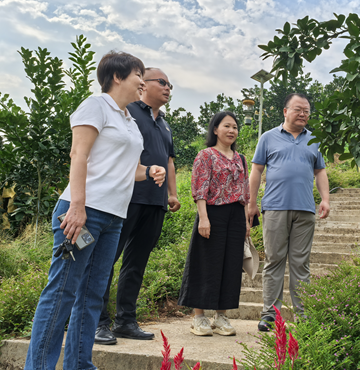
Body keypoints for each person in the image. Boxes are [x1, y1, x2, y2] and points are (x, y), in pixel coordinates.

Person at [24, 52, 166, 370]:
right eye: (137, 74)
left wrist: (150, 170)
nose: (142, 80)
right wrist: (76, 207)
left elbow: (125, 169)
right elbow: (79, 154)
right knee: (62, 291)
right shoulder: (95, 105)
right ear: (117, 77)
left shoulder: (128, 120)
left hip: (113, 220)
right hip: (82, 215)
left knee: (91, 296)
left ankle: (79, 364)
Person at [95, 67, 180, 345]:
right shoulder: (127, 111)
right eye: (163, 82)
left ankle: (125, 321)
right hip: (126, 197)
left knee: (136, 263)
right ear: (143, 84)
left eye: (171, 85)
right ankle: (98, 322)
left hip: (155, 203)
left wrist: (172, 193)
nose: (168, 88)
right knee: (107, 259)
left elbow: (168, 160)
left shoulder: (165, 123)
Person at [248, 93, 330, 332]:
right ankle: (269, 315)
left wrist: (325, 199)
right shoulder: (268, 138)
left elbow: (320, 172)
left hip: (305, 209)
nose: (303, 114)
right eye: (298, 109)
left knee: (300, 264)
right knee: (274, 261)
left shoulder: (315, 139)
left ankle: (303, 315)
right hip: (274, 207)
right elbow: (256, 172)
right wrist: (251, 203)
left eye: (307, 110)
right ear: (285, 111)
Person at [178, 111, 251, 337]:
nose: (231, 131)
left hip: (236, 215)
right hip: (212, 212)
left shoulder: (240, 158)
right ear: (215, 130)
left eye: (235, 127)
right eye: (226, 126)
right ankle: (198, 316)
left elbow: (245, 191)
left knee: (230, 266)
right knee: (205, 262)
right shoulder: (206, 155)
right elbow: (200, 188)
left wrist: (247, 219)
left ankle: (221, 316)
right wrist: (203, 217)